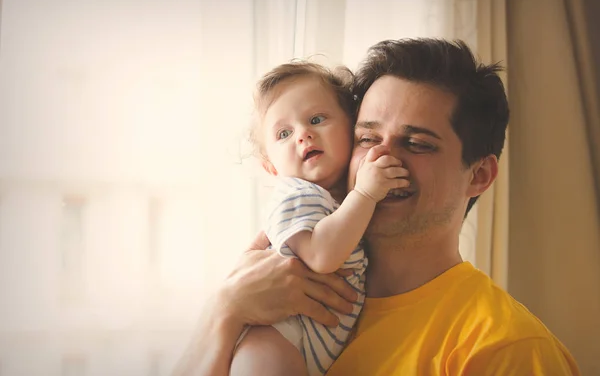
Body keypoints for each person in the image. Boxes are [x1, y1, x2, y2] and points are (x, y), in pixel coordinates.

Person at [173, 38, 580, 375]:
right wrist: (223, 311)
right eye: (367, 139)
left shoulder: (505, 350)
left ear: (478, 175)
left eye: (417, 144)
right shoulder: (268, 289)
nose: (380, 160)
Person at [231, 62, 408, 376]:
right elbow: (321, 255)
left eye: (316, 119)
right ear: (271, 166)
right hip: (274, 338)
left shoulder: (333, 202)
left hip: (305, 345)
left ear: (351, 128)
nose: (304, 135)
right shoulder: (296, 194)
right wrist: (366, 193)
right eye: (284, 133)